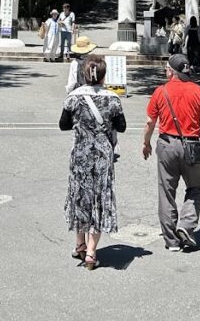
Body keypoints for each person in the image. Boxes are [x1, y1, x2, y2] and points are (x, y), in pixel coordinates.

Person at [142, 54, 200, 252]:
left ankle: (172, 241)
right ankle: (186, 225)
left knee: (166, 192)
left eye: (167, 69)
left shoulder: (161, 91)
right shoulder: (199, 91)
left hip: (166, 144)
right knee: (195, 188)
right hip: (192, 146)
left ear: (172, 72)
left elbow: (150, 122)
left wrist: (146, 143)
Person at [60, 57, 126, 270]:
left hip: (80, 154)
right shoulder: (113, 99)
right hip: (102, 156)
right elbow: (121, 126)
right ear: (104, 76)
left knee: (80, 196)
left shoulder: (73, 98)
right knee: (99, 198)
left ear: (84, 75)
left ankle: (79, 244)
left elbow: (63, 125)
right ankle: (91, 251)